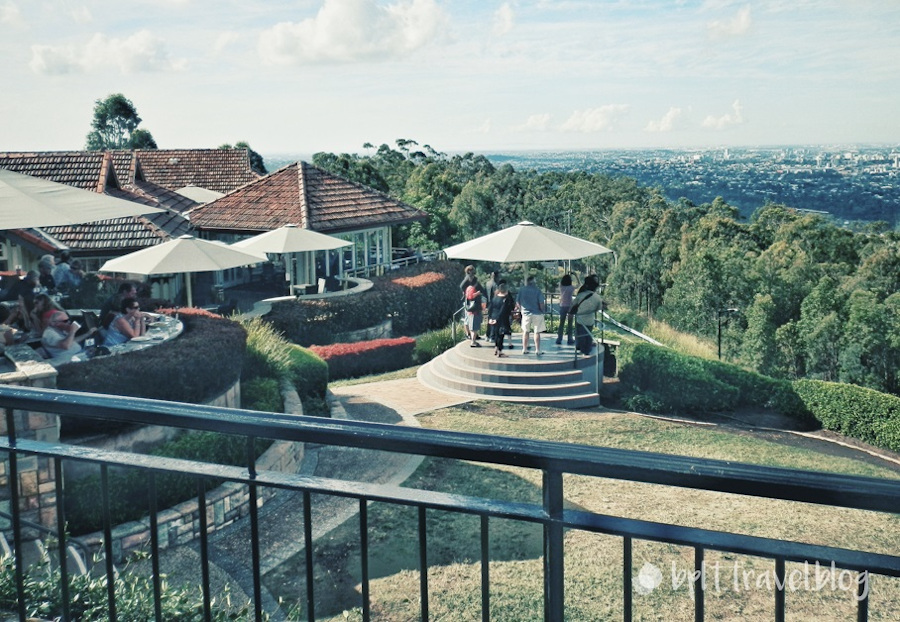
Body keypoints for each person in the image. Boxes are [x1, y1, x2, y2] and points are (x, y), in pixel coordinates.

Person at [572, 275, 603, 355]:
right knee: (588, 336)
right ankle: (586, 351)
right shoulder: (597, 297)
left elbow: (573, 305)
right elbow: (599, 308)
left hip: (580, 320)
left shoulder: (580, 295)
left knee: (580, 335)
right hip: (590, 320)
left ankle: (579, 348)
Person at [516, 275, 546, 355]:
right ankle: (537, 350)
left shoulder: (522, 290)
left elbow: (518, 302)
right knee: (537, 332)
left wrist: (521, 309)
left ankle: (524, 348)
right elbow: (541, 303)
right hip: (537, 313)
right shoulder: (537, 290)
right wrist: (543, 310)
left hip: (526, 313)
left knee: (525, 331)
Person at [487, 281, 515, 356]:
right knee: (501, 335)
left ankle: (496, 348)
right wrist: (497, 319)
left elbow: (490, 308)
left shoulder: (495, 298)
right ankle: (499, 350)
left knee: (496, 334)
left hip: (493, 317)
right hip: (501, 319)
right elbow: (502, 311)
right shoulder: (505, 300)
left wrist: (490, 317)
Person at [556, 274, 576, 345]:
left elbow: (559, 283)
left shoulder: (561, 287)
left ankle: (559, 339)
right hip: (570, 306)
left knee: (561, 323)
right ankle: (569, 339)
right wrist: (576, 276)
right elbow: (579, 285)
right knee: (570, 324)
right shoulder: (571, 288)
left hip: (562, 306)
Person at [464, 283, 484, 347]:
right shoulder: (474, 292)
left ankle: (473, 340)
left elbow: (469, 297)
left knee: (472, 327)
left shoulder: (468, 290)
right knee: (474, 329)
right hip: (475, 312)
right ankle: (473, 342)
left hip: (470, 312)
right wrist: (477, 294)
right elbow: (473, 297)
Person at [484, 270, 500, 341]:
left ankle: (487, 335)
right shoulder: (496, 285)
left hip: (488, 303)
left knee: (489, 319)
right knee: (494, 320)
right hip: (494, 304)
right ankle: (492, 336)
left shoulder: (487, 283)